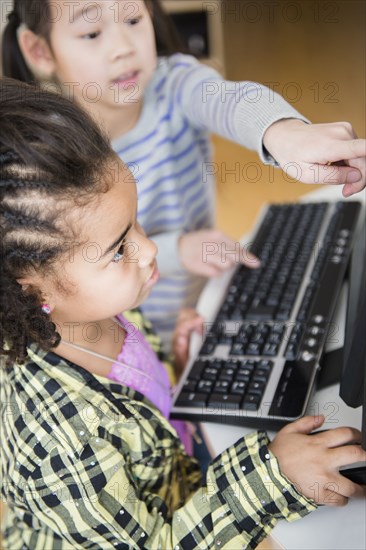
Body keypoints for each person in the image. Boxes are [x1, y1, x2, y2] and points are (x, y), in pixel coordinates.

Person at [1, 77, 366, 550]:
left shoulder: (88, 314)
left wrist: (172, 363)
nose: (150, 249)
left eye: (136, 222)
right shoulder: (56, 442)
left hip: (182, 471)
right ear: (31, 290)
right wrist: (275, 477)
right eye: (118, 249)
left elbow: (137, 393)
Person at [2, 0, 366, 354]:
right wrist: (178, 250)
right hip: (126, 321)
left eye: (132, 20)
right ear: (39, 51)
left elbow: (229, 100)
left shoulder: (172, 82)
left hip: (200, 288)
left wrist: (284, 134)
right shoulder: (51, 156)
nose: (123, 48)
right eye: (92, 33)